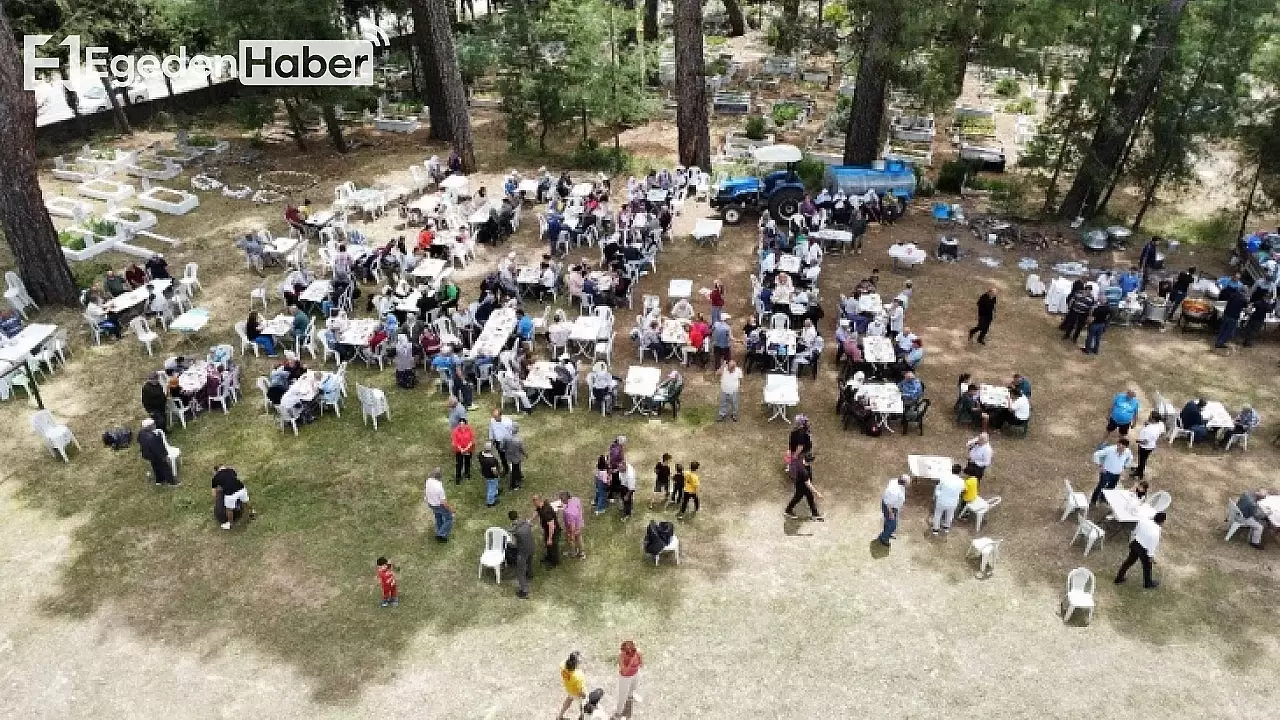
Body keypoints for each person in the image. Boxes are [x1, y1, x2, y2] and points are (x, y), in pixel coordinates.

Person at [1114, 511, 1166, 589]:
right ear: (1162, 522)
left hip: (1135, 544)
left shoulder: (1144, 520)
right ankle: (1148, 583)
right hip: (1143, 550)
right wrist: (1151, 557)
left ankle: (1119, 578)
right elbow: (1152, 546)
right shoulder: (1156, 532)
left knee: (1128, 562)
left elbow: (1135, 531)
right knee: (1147, 568)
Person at [1090, 438, 1133, 506]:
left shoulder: (1128, 452)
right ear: (1117, 444)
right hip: (1106, 472)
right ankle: (1093, 500)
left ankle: (1103, 498)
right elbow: (1096, 454)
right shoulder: (1110, 449)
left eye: (1123, 446)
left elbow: (1130, 458)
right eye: (1119, 445)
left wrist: (1124, 467)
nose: (1120, 447)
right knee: (1101, 486)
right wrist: (1100, 465)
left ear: (1126, 447)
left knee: (1111, 487)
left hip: (1117, 474)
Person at [784, 452, 824, 521]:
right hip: (802, 487)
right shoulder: (804, 472)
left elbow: (791, 463)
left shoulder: (799, 460)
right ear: (810, 462)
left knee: (810, 498)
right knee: (797, 498)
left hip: (799, 483)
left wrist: (788, 469)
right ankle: (788, 511)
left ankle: (815, 514)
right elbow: (808, 484)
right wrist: (817, 493)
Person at [211, 466, 253, 531]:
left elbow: (214, 494)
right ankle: (251, 512)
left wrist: (217, 501)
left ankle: (230, 524)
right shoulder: (231, 470)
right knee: (246, 501)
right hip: (241, 488)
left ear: (216, 471)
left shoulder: (215, 478)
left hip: (230, 493)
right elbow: (233, 479)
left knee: (229, 509)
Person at [137, 418, 176, 486]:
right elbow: (158, 449)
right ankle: (172, 482)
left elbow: (139, 440)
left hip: (147, 454)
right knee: (165, 467)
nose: (155, 425)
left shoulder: (141, 433)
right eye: (153, 424)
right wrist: (165, 457)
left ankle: (159, 481)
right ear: (150, 426)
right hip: (156, 455)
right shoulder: (153, 437)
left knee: (155, 466)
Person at [507, 510, 535, 598]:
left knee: (520, 572)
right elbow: (530, 525)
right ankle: (530, 575)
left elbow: (514, 544)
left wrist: (509, 542)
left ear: (510, 519)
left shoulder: (515, 531)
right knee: (529, 562)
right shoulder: (525, 522)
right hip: (532, 547)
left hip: (523, 552)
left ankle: (524, 591)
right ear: (517, 516)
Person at [613, 640, 644, 720]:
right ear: (623, 650)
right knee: (622, 696)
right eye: (627, 651)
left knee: (633, 687)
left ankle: (630, 696)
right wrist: (631, 662)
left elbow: (641, 664)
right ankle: (618, 714)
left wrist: (638, 660)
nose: (630, 652)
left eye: (632, 650)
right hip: (625, 678)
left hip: (635, 674)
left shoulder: (638, 652)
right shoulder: (621, 656)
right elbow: (624, 671)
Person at [877, 475, 910, 547]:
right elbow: (889, 503)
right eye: (908, 482)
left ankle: (887, 533)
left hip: (893, 507)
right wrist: (891, 513)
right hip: (890, 508)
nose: (909, 483)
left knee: (888, 522)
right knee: (893, 525)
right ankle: (883, 538)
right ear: (904, 483)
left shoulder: (895, 481)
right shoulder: (894, 491)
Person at [933, 466, 965, 534]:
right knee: (950, 515)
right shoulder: (961, 482)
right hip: (953, 502)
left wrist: (937, 495)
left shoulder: (944, 478)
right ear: (960, 472)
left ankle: (935, 529)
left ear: (951, 470)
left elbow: (938, 488)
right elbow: (962, 490)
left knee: (938, 514)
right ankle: (946, 527)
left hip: (942, 500)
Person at [424, 468, 454, 542]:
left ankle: (439, 530)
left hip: (431, 503)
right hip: (439, 505)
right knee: (449, 519)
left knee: (438, 517)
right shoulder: (439, 488)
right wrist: (451, 509)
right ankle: (441, 534)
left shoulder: (428, 481)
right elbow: (443, 502)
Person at [1133, 412, 1165, 479]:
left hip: (1144, 447)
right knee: (1143, 459)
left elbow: (1145, 442)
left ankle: (1139, 473)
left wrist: (1138, 441)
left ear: (1153, 419)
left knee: (1142, 460)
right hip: (1151, 445)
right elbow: (1162, 434)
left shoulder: (1150, 429)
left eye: (1150, 416)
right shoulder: (1160, 424)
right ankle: (1139, 468)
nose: (1148, 417)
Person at [1214, 285, 1248, 349]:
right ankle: (1220, 343)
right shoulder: (1243, 300)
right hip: (1234, 317)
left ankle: (1218, 341)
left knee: (1222, 329)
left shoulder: (1232, 295)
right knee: (1228, 331)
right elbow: (1246, 309)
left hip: (1226, 314)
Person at [558, 651, 587, 719]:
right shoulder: (578, 675)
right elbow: (581, 691)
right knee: (582, 706)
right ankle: (581, 718)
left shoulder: (562, 665)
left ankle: (560, 716)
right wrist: (584, 696)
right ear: (576, 663)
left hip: (568, 688)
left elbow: (565, 661)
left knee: (569, 700)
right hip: (577, 693)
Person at [534, 494, 561, 567]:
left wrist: (550, 538)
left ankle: (554, 562)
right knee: (547, 544)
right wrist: (530, 520)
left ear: (539, 501)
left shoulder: (546, 511)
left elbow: (551, 526)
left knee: (552, 546)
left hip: (553, 531)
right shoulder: (540, 506)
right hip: (547, 529)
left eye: (534, 501)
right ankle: (549, 557)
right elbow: (537, 512)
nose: (533, 502)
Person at [557, 491, 585, 559]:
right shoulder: (576, 499)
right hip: (579, 523)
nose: (561, 501)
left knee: (571, 540)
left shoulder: (569, 512)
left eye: (562, 500)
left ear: (566, 500)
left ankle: (573, 553)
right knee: (579, 539)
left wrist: (571, 534)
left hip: (573, 528)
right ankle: (582, 553)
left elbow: (572, 526)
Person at [451, 418, 475, 483]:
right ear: (459, 424)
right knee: (459, 464)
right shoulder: (455, 431)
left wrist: (466, 449)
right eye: (460, 424)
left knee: (467, 462)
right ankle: (458, 478)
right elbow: (455, 442)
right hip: (459, 450)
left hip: (468, 449)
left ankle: (467, 474)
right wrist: (461, 449)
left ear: (465, 424)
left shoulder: (469, 429)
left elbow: (471, 440)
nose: (462, 425)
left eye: (463, 424)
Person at [505, 422, 526, 490]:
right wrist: (525, 454)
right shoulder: (518, 440)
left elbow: (502, 447)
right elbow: (521, 449)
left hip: (508, 457)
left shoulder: (505, 437)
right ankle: (514, 485)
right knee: (515, 470)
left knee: (513, 470)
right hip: (516, 458)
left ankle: (518, 478)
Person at [479, 442, 502, 507]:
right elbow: (494, 470)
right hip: (491, 476)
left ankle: (496, 493)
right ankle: (490, 502)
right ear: (491, 449)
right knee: (491, 488)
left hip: (485, 473)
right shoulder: (491, 460)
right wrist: (497, 475)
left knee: (491, 485)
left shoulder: (481, 454)